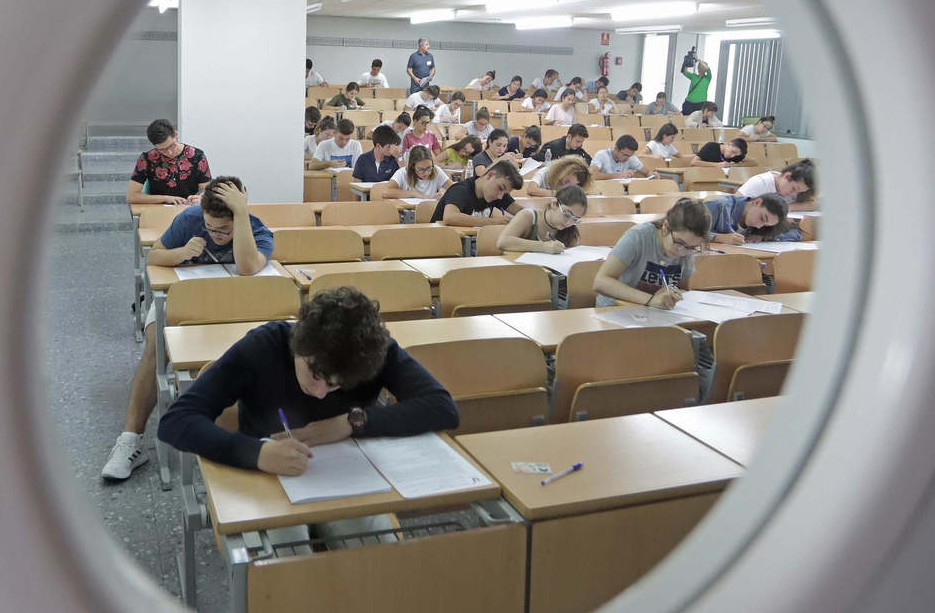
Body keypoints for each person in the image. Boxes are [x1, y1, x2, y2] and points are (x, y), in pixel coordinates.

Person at [157, 286, 459, 479]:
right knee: (288, 549)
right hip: (267, 471)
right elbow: (177, 420)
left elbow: (442, 407)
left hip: (348, 472)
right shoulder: (265, 346)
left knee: (373, 544)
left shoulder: (374, 351)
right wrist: (256, 453)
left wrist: (353, 421)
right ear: (297, 343)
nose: (319, 393)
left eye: (336, 386)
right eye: (315, 374)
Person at [102, 178, 273, 479]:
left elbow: (248, 268)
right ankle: (130, 441)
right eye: (210, 227)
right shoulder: (190, 219)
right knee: (157, 347)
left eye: (224, 229)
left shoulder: (255, 228)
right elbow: (154, 256)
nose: (216, 235)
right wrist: (181, 253)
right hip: (181, 298)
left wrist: (242, 215)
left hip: (233, 309)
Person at [593, 198, 714, 309]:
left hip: (655, 313)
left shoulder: (687, 248)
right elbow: (601, 282)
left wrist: (672, 294)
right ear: (666, 227)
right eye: (679, 243)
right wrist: (651, 299)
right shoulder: (638, 237)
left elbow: (683, 288)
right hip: (616, 309)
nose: (682, 252)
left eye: (692, 247)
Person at [127, 118, 211, 206]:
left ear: (176, 134)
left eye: (171, 146)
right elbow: (131, 196)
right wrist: (166, 198)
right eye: (162, 150)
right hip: (159, 209)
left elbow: (208, 190)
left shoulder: (196, 155)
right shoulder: (147, 159)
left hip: (188, 209)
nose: (169, 152)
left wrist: (201, 197)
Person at [430, 159, 525, 226]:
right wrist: (492, 222)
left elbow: (523, 213)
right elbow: (449, 217)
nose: (500, 196)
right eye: (500, 188)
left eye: (505, 193)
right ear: (490, 175)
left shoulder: (497, 194)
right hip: (439, 244)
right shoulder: (460, 190)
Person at [497, 185, 589, 254]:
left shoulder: (570, 230)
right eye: (567, 215)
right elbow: (503, 242)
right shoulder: (528, 216)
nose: (569, 222)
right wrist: (544, 247)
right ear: (554, 203)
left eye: (575, 219)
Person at [703, 193, 803, 244]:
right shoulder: (720, 206)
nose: (759, 226)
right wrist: (717, 237)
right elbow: (688, 230)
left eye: (765, 225)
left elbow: (796, 234)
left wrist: (763, 236)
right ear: (757, 202)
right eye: (762, 219)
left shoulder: (765, 222)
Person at [378, 145, 453, 200]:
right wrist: (414, 194)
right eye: (421, 170)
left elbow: (456, 189)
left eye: (429, 168)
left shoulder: (436, 170)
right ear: (413, 167)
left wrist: (444, 192)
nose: (426, 173)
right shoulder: (402, 173)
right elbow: (385, 192)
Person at [738, 160, 816, 205]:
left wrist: (791, 207)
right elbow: (733, 204)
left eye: (799, 192)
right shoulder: (760, 183)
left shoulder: (797, 187)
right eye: (794, 188)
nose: (793, 194)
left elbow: (813, 204)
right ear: (787, 176)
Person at [526, 154, 591, 197]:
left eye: (571, 185)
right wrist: (556, 193)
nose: (566, 186)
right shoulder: (544, 172)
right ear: (562, 172)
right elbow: (531, 189)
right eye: (566, 182)